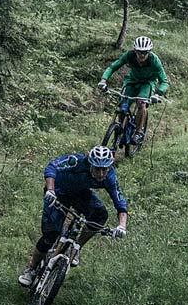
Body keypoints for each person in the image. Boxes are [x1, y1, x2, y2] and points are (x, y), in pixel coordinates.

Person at [18, 145, 127, 287]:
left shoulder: (110, 176)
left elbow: (120, 201)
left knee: (100, 214)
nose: (101, 174)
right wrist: (50, 190)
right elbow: (52, 167)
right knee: (50, 235)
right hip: (58, 191)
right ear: (90, 165)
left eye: (104, 169)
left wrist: (122, 225)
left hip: (79, 193)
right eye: (97, 169)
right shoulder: (76, 161)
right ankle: (31, 269)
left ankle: (76, 248)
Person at [98, 36, 169, 144]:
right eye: (139, 52)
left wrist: (158, 94)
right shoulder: (129, 55)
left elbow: (164, 81)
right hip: (132, 81)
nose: (142, 55)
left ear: (149, 52)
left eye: (145, 52)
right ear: (135, 50)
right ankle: (120, 127)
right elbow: (113, 67)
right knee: (122, 104)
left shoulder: (154, 60)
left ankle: (138, 132)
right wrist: (103, 80)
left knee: (141, 104)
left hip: (147, 83)